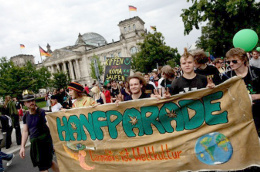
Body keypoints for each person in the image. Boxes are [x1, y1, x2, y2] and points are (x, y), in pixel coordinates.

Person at [19, 90, 60, 172]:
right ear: (25, 104)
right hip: (35, 145)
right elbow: (25, 131)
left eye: (32, 100)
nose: (31, 102)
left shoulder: (42, 112)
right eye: (28, 101)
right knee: (49, 163)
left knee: (43, 167)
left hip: (45, 143)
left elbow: (50, 126)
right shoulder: (26, 116)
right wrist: (22, 147)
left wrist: (55, 142)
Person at [224, 48, 260, 136]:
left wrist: (254, 97)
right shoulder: (226, 77)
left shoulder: (256, 72)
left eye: (234, 61)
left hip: (258, 113)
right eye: (228, 62)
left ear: (243, 59)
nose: (231, 64)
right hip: (240, 118)